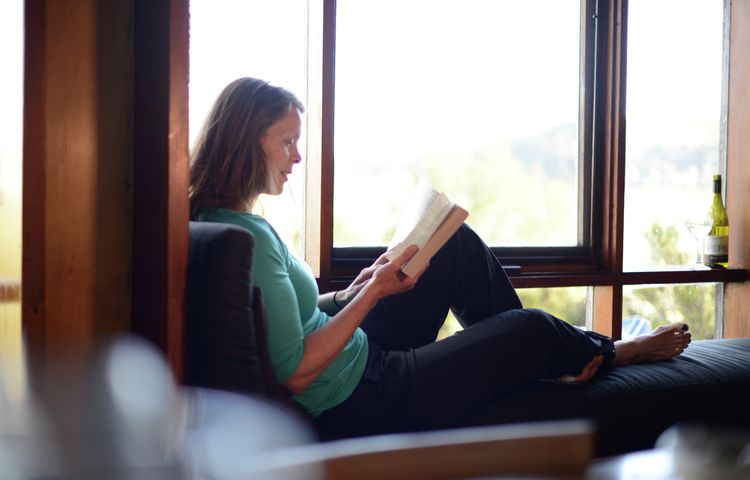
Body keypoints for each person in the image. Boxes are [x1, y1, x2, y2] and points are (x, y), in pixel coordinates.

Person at [189, 77, 692, 436]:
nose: (297, 157)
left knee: (450, 243)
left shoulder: (230, 223)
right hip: (365, 396)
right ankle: (607, 350)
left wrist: (353, 291)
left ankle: (544, 360)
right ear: (247, 143)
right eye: (288, 142)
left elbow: (290, 320)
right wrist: (374, 297)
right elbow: (295, 369)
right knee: (531, 327)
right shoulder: (244, 242)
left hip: (359, 356)